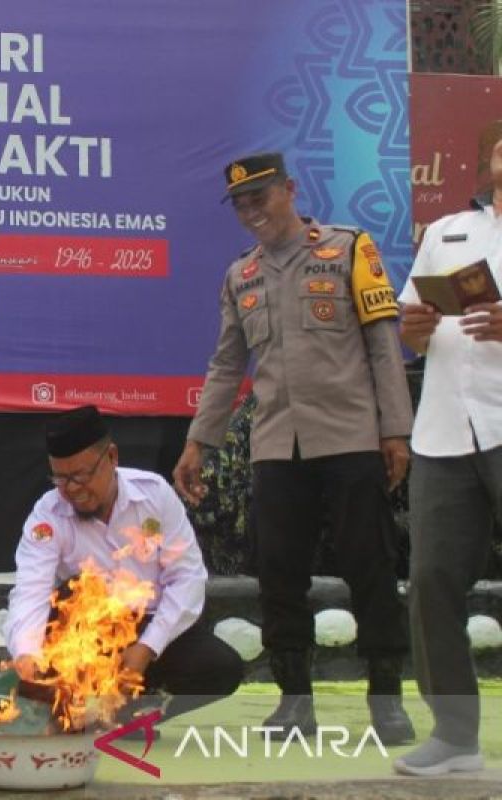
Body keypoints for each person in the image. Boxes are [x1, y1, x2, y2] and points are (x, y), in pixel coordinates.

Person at [171, 152, 415, 744]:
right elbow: (227, 366)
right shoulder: (241, 276)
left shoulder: (350, 249)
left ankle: (386, 698)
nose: (252, 212)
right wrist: (197, 441)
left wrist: (396, 431)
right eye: (242, 204)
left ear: (290, 190)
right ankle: (294, 700)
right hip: (276, 446)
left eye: (262, 197)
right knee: (279, 576)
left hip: (351, 436)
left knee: (371, 567)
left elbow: (384, 346)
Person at [7, 406, 243, 724]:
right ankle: (80, 711)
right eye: (61, 478)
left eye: (82, 475)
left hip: (155, 628)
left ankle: (133, 714)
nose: (73, 489)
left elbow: (186, 578)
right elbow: (31, 591)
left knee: (221, 667)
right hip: (90, 635)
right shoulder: (47, 514)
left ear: (112, 457)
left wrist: (147, 647)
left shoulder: (155, 495)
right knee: (60, 610)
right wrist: (26, 654)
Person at [392, 131, 502, 777]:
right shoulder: (448, 230)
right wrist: (415, 326)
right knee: (432, 579)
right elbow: (411, 319)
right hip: (442, 431)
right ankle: (455, 736)